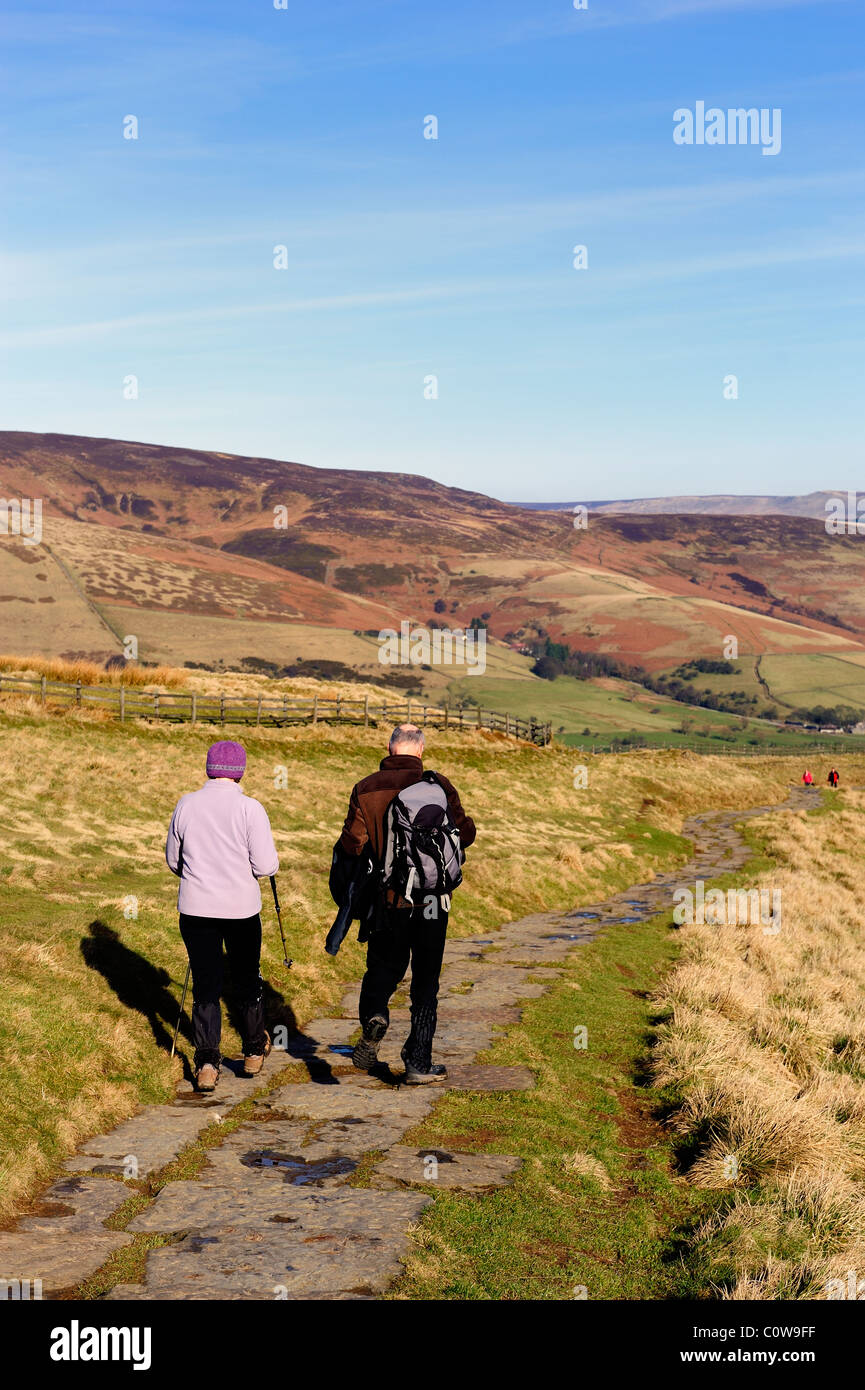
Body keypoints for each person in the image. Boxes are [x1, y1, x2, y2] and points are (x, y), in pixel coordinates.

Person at [337, 723, 476, 1083]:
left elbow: (352, 844)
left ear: (389, 747)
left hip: (389, 901)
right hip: (434, 901)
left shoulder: (366, 788)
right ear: (420, 750)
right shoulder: (439, 785)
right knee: (426, 981)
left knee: (383, 968)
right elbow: (466, 834)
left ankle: (374, 1016)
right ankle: (418, 1061)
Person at [165, 740, 279, 1092]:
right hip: (241, 909)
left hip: (197, 909)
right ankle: (253, 1051)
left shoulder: (186, 805)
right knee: (246, 978)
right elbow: (266, 865)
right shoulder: (250, 809)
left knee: (206, 985)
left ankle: (207, 1065)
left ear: (208, 768)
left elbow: (173, 860)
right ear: (240, 771)